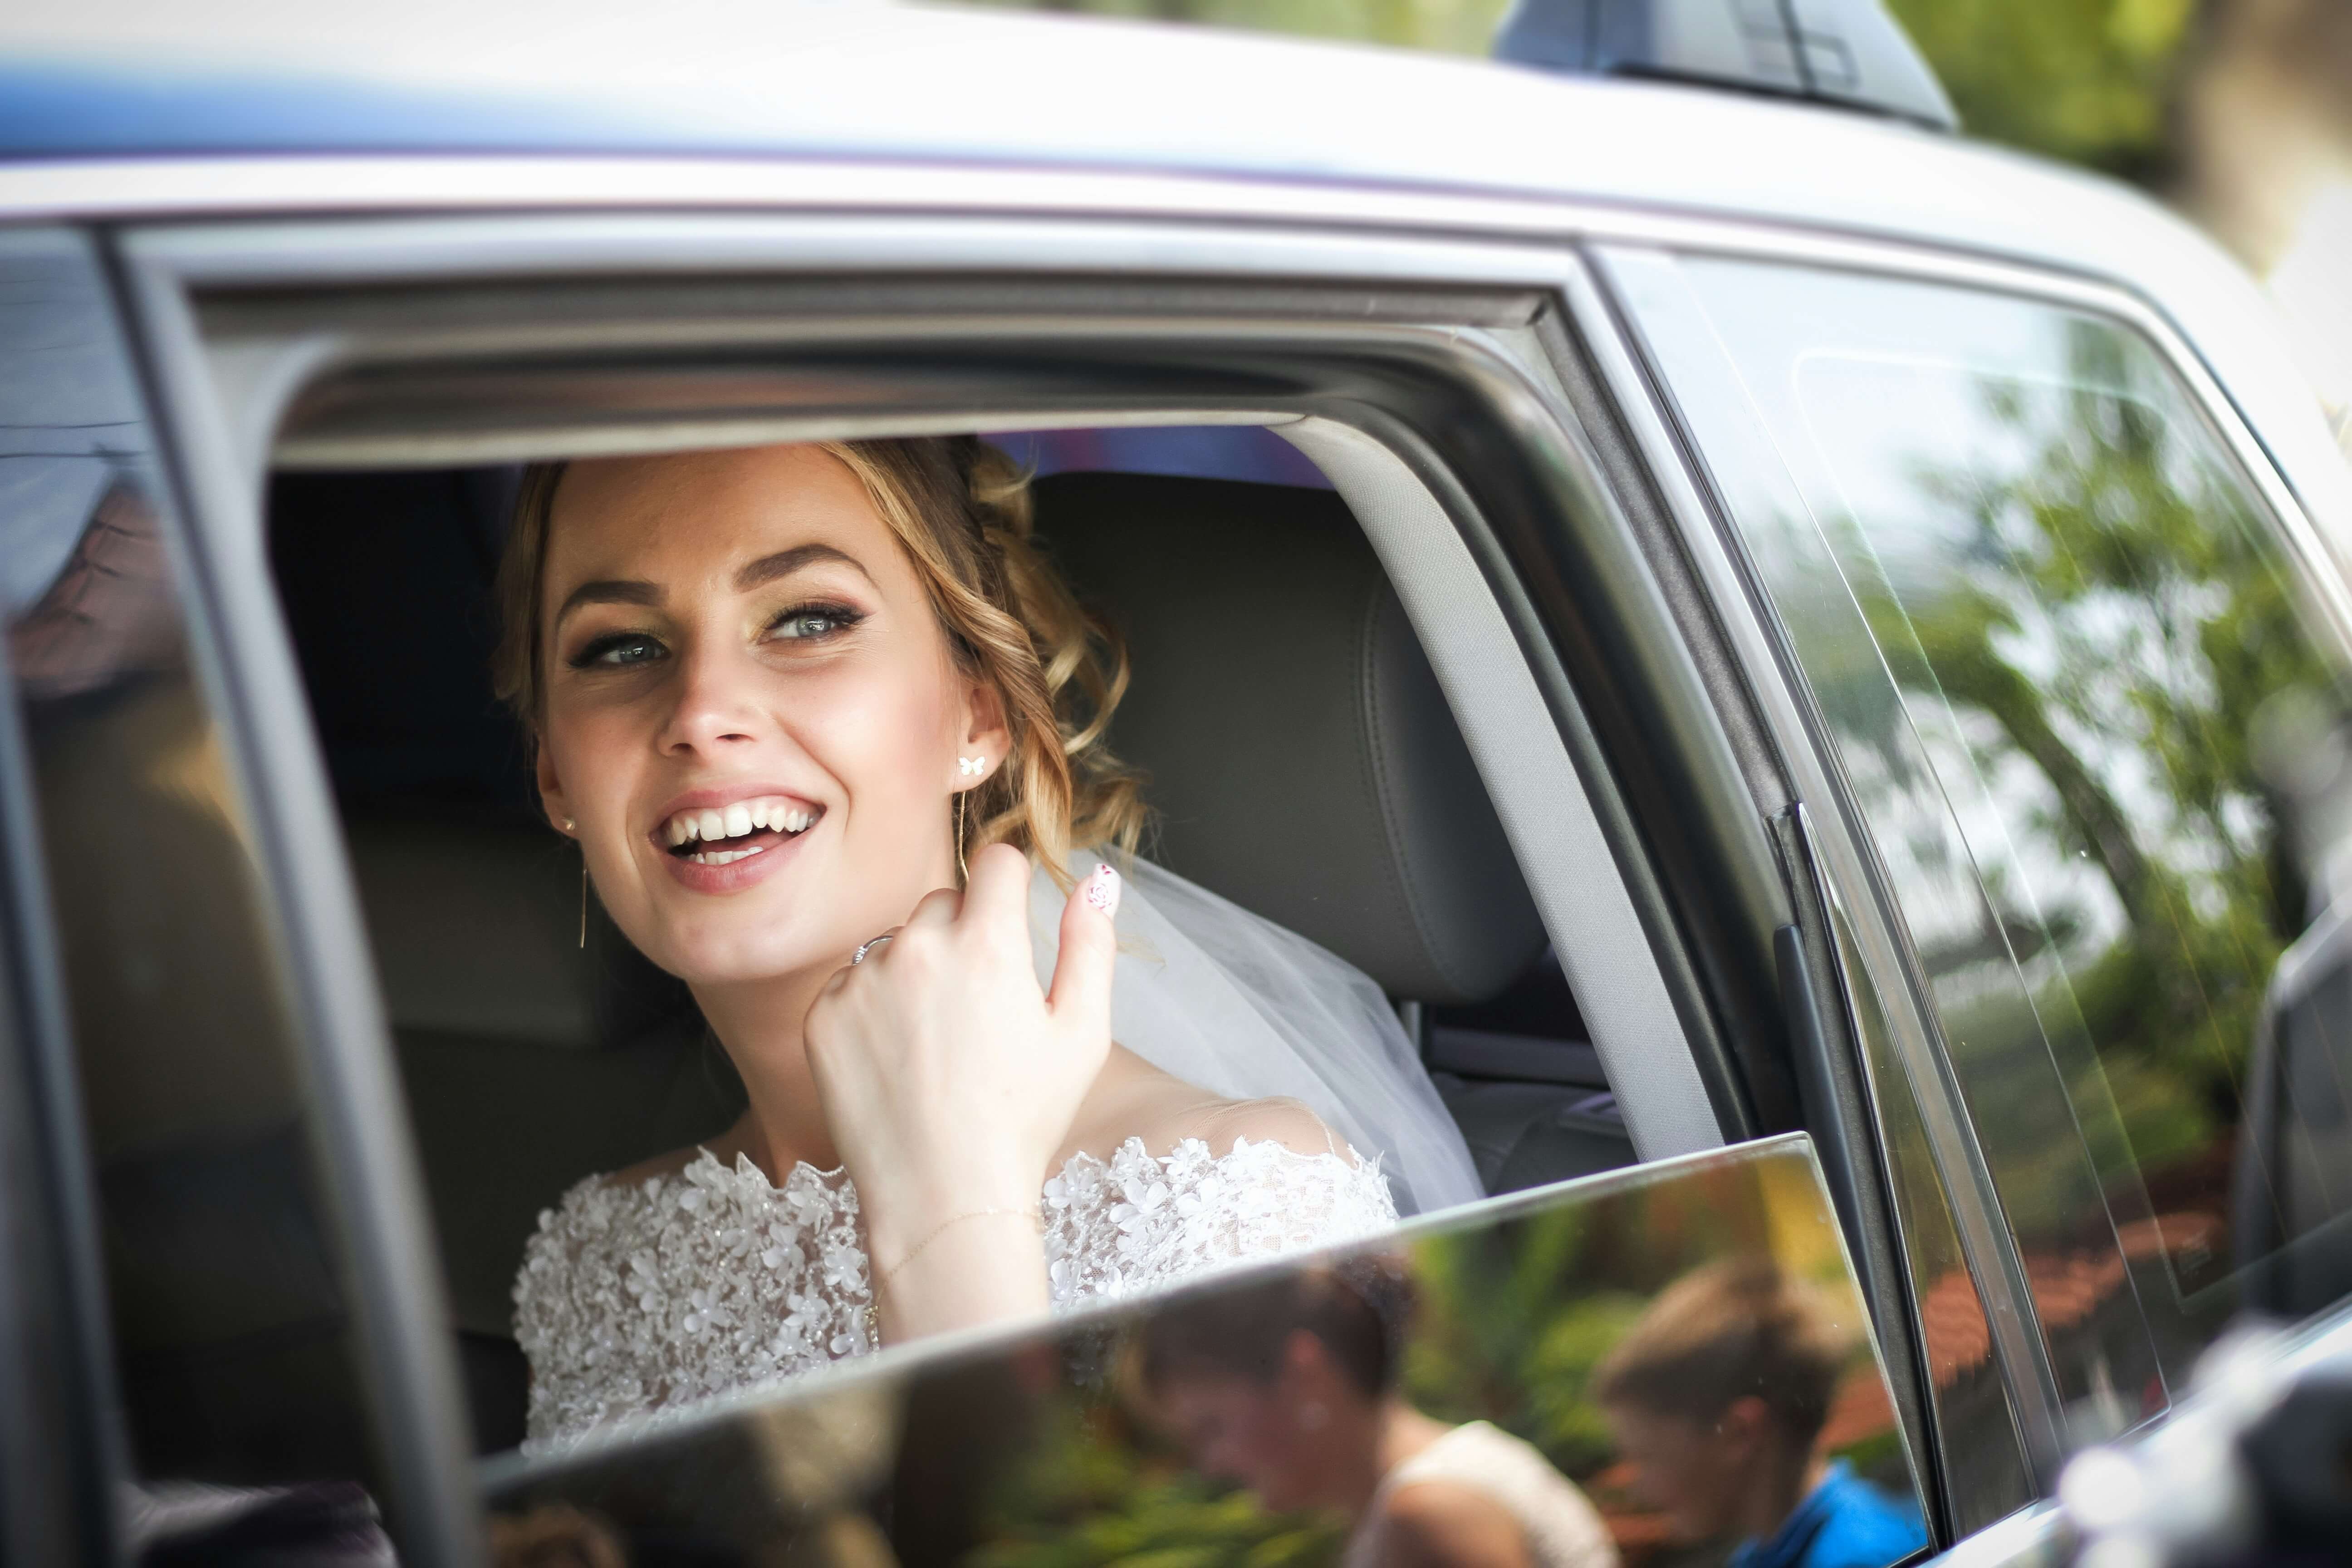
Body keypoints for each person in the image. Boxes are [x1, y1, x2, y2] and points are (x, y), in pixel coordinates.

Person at [501, 438, 1480, 1450]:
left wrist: (950, 1230)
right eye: (620, 648)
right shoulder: (600, 1259)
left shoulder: (1237, 1212)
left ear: (978, 711)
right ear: (557, 777)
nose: (701, 713)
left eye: (809, 621)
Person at [1141, 1263, 1618, 1568]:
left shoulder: (1430, 1513)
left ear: (1303, 1373)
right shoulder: (1419, 1495)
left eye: (1212, 1428)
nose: (1211, 1466)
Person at [1592, 1259, 1927, 1568]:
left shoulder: (1864, 1559)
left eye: (1648, 1458)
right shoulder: (1760, 1556)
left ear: (1739, 1433)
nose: (1639, 1491)